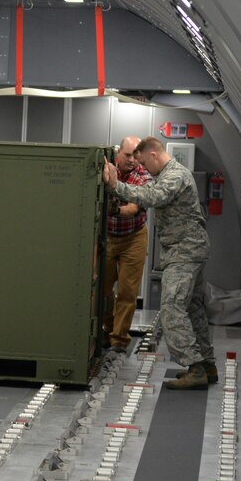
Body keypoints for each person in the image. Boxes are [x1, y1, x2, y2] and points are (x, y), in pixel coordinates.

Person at [102, 136, 216, 389]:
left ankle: (195, 367)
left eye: (143, 161)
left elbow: (151, 196)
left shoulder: (175, 176)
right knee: (193, 307)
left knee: (172, 307)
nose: (143, 168)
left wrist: (114, 185)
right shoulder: (170, 173)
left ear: (153, 155)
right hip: (187, 249)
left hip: (185, 251)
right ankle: (207, 364)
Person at [102, 136, 152, 353]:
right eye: (128, 155)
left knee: (127, 291)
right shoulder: (105, 167)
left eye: (136, 155)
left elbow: (133, 208)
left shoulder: (143, 176)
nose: (132, 160)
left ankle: (119, 340)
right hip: (107, 237)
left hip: (134, 237)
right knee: (102, 288)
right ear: (118, 153)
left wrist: (114, 209)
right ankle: (107, 330)